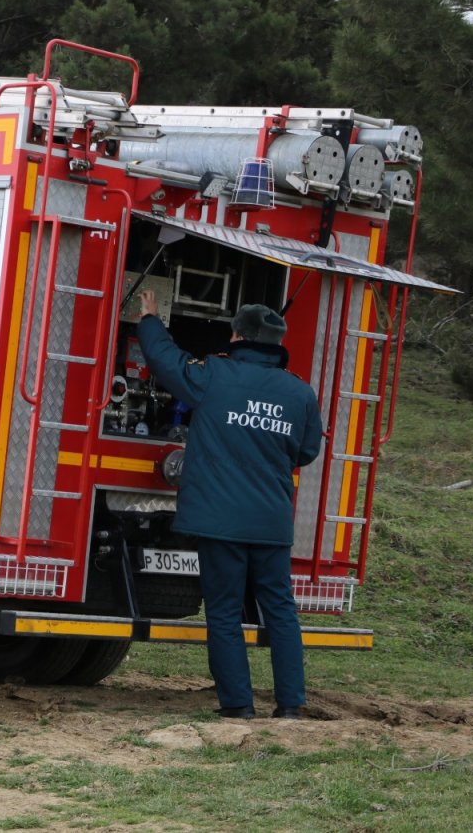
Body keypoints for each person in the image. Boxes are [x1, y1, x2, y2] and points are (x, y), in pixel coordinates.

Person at [136, 290, 323, 719]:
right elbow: (307, 452)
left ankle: (238, 707)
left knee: (223, 613)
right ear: (276, 344)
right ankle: (291, 705)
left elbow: (169, 363)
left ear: (238, 336)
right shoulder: (300, 393)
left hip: (220, 521)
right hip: (271, 521)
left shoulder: (215, 374)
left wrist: (149, 319)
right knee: (281, 612)